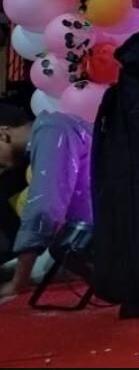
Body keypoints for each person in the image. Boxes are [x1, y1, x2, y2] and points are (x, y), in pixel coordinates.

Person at [0, 103, 93, 300]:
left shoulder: (52, 131)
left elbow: (43, 210)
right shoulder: (54, 127)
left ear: (2, 134)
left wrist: (18, 282)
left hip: (107, 240)